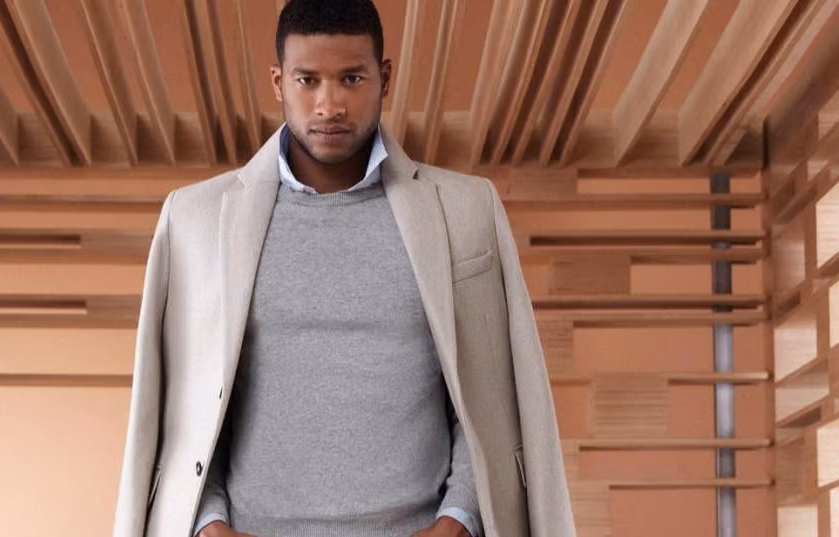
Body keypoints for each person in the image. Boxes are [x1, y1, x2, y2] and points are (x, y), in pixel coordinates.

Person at [112, 1, 575, 536]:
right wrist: (209, 522)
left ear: (384, 78)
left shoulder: (468, 210)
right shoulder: (192, 219)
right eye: (307, 80)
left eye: (351, 78)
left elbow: (488, 395)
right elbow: (186, 405)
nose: (329, 105)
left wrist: (460, 518)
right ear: (278, 82)